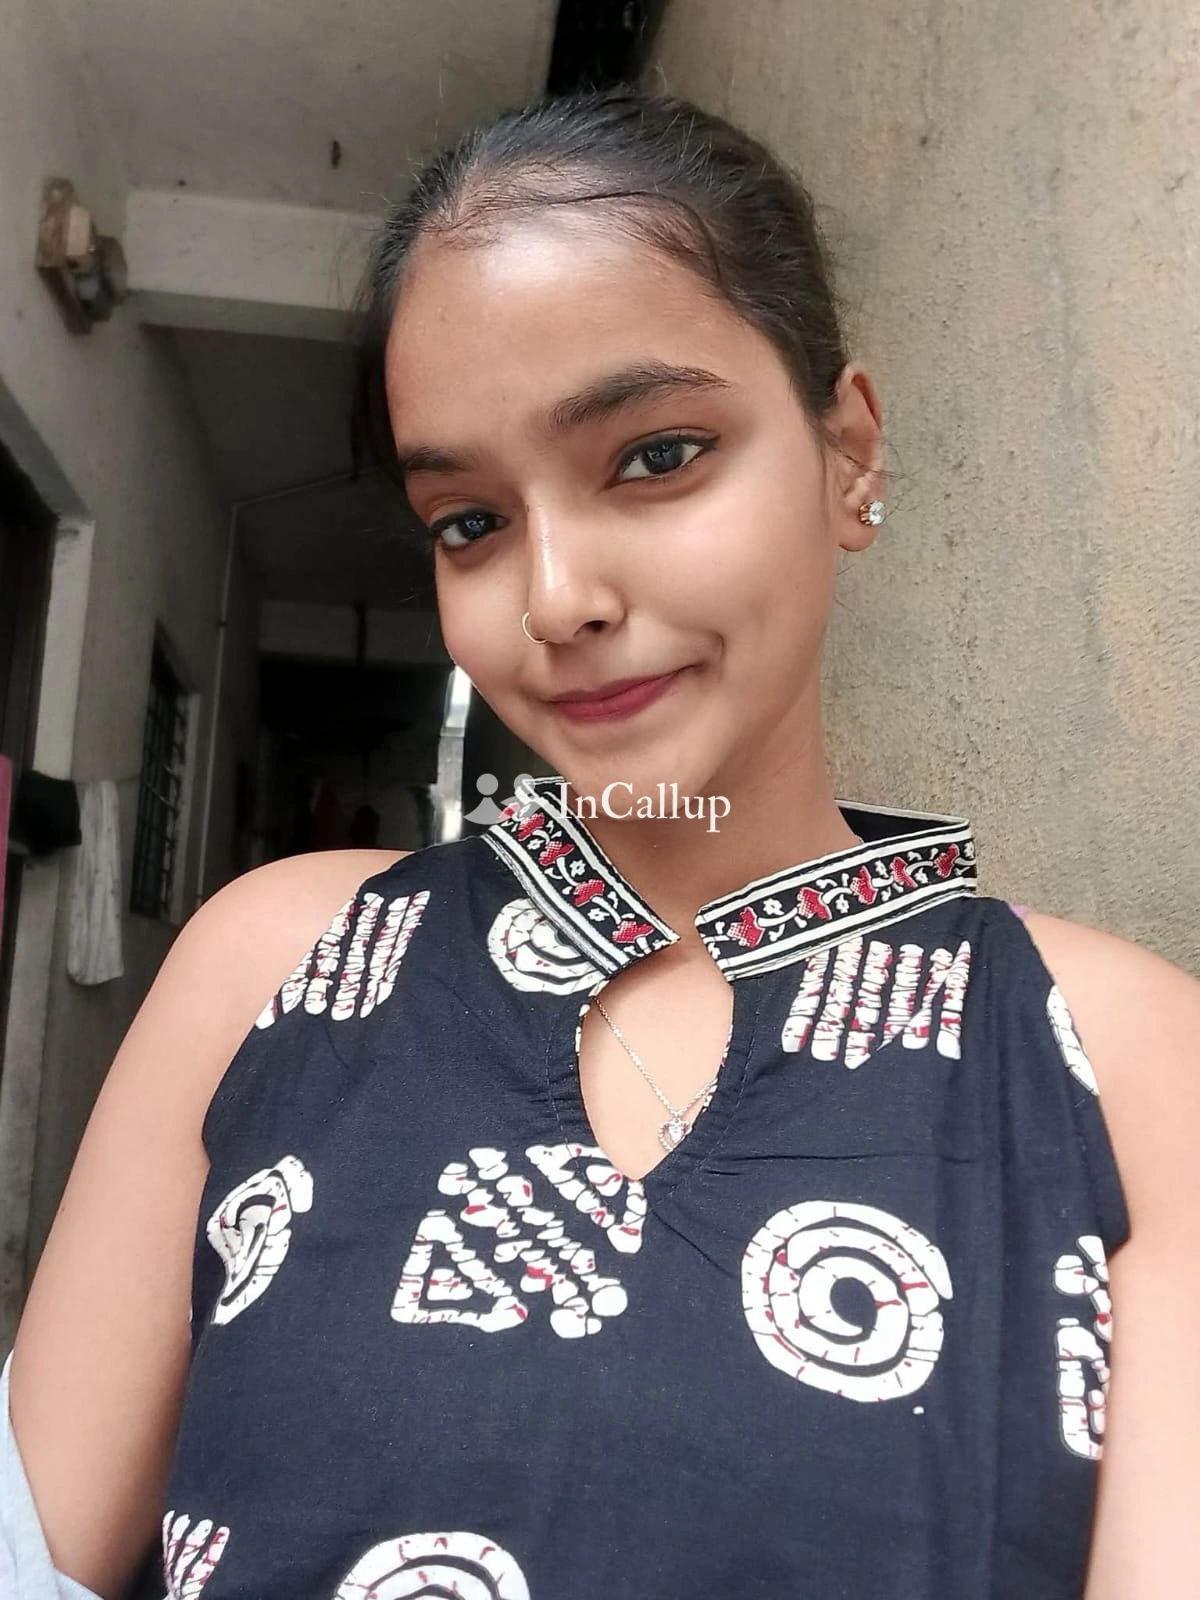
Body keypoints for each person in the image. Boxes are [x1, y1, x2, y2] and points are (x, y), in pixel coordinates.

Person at [5, 86, 1199, 1600]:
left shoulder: (1119, 1064)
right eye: (468, 522)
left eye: (656, 455)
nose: (555, 597)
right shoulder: (282, 964)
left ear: (847, 452)